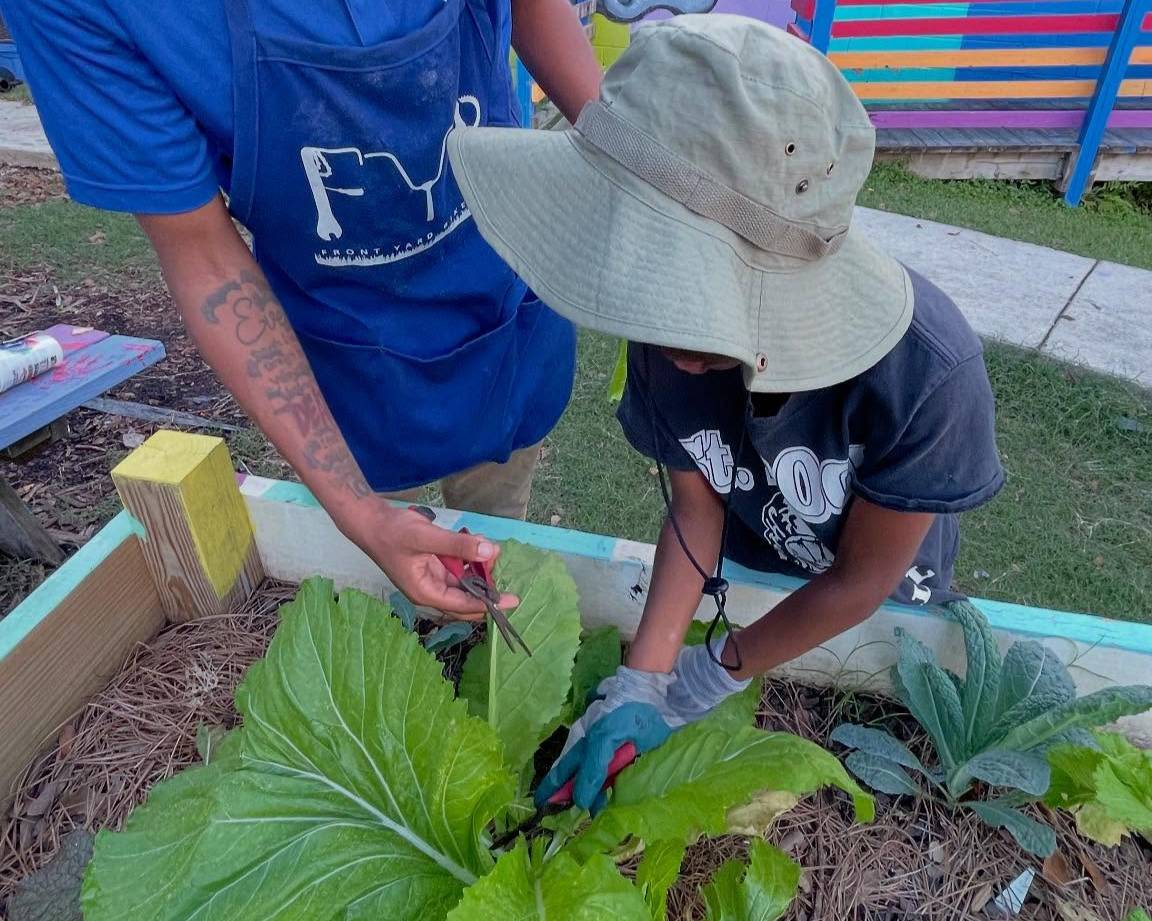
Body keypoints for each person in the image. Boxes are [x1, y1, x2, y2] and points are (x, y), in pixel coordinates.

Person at [447, 13, 1005, 809]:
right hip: (743, 563)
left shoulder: (927, 376)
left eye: (692, 304)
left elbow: (863, 580)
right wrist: (643, 676)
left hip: (878, 606)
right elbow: (695, 505)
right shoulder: (663, 335)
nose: (672, 347)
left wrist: (706, 678)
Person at [2, 0, 602, 616]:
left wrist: (645, 173)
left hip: (502, 316)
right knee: (389, 578)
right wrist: (358, 510)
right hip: (346, 364)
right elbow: (204, 256)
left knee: (500, 537)